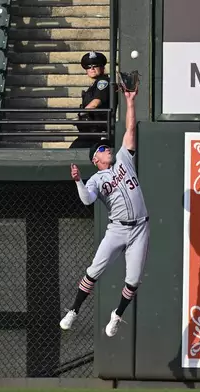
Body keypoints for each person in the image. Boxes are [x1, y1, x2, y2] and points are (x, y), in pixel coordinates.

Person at [60, 84, 149, 338]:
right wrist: (78, 180)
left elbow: (130, 129)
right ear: (95, 160)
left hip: (141, 226)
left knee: (133, 280)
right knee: (94, 271)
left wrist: (130, 102)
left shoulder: (123, 158)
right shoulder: (96, 180)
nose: (106, 148)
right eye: (102, 149)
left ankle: (117, 315)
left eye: (106, 146)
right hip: (118, 229)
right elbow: (87, 201)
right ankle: (74, 310)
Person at [69, 51, 112, 149]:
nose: (92, 69)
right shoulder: (95, 84)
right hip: (90, 132)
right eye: (88, 67)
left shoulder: (103, 82)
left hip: (97, 132)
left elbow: (96, 103)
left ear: (102, 67)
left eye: (95, 66)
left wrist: (80, 114)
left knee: (72, 154)